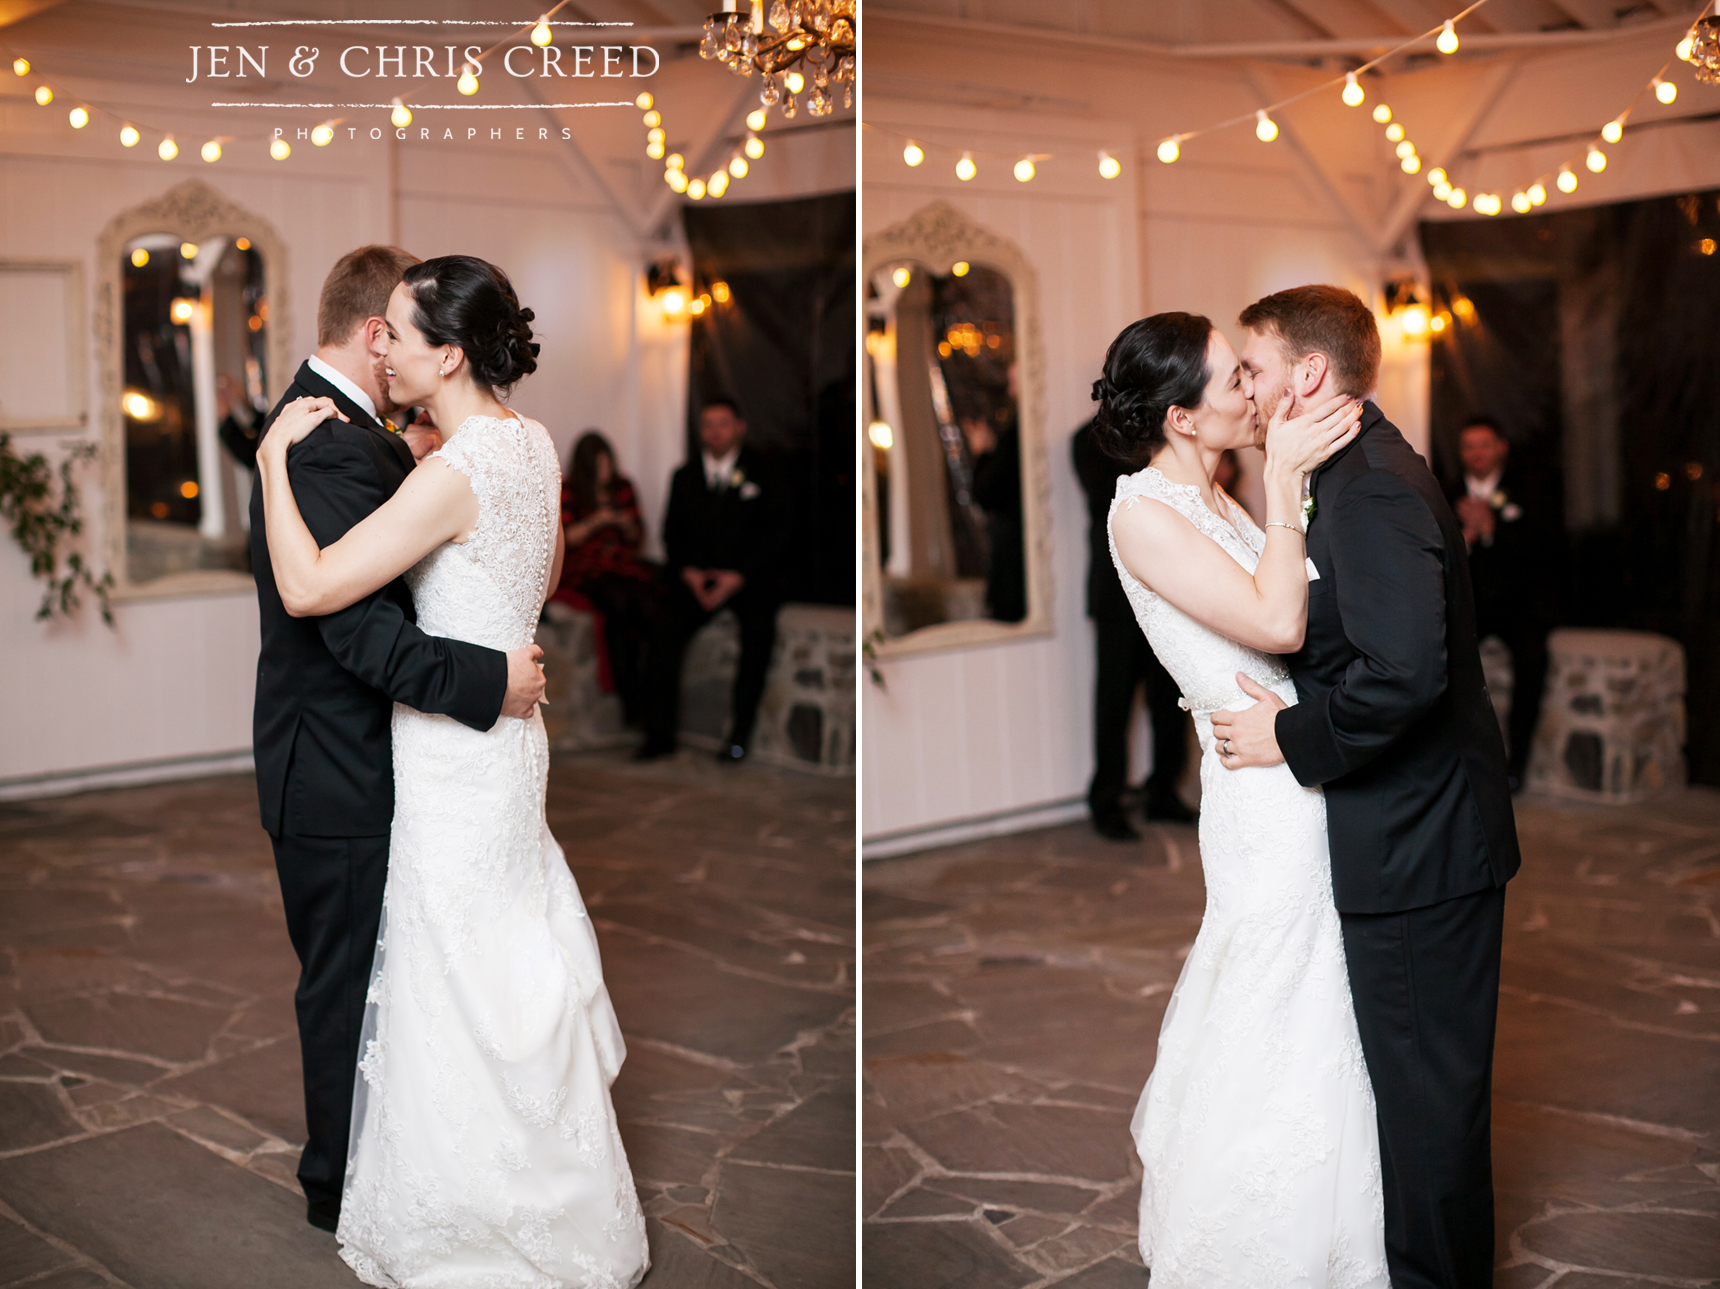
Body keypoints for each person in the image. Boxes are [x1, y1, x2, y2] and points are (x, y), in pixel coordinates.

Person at [253, 254, 648, 1287]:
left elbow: (311, 588)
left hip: (444, 753)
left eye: (397, 331)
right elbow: (541, 577)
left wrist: (264, 471)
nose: (380, 346)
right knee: (501, 957)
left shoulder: (444, 473)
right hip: (508, 746)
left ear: (448, 353)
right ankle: (547, 1184)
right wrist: (493, 656)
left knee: (452, 968)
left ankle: (466, 1195)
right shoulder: (531, 445)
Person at [1213, 284, 1521, 1289]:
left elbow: (1405, 675)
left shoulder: (1374, 486)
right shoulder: (1334, 475)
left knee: (1428, 1104)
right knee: (1416, 1094)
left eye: (1252, 369)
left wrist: (1282, 734)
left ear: (1306, 374)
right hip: (1405, 830)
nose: (1243, 390)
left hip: (1420, 840)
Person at [247, 245, 549, 1239]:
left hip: (407, 763)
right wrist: (489, 677)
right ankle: (342, 1187)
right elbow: (350, 624)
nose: (405, 351)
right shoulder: (324, 440)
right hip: (335, 766)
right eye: (400, 330)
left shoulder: (394, 444)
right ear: (378, 332)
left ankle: (408, 1168)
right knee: (349, 985)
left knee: (415, 976)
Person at [1099, 312, 1379, 1285]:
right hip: (1262, 794)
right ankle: (1251, 1240)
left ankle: (1338, 1221)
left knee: (1315, 997)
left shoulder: (1210, 492)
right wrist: (1287, 479)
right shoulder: (1141, 514)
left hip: (1288, 759)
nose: (1250, 389)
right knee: (1276, 993)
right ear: (1181, 415)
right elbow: (1273, 618)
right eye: (1231, 379)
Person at [637, 397, 788, 762]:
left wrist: (737, 576)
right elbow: (671, 532)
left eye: (723, 423)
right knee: (662, 631)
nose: (715, 431)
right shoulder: (684, 475)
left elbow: (777, 533)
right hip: (696, 580)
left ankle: (738, 738)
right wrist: (688, 572)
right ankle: (660, 734)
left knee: (758, 634)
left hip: (747, 581)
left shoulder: (765, 472)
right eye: (708, 424)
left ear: (739, 427)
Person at [1072, 418, 1195, 838]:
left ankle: (1163, 789)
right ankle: (1106, 798)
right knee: (1114, 702)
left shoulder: (1165, 433)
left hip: (1168, 587)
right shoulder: (1087, 441)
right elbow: (1114, 494)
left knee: (1170, 698)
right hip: (1115, 596)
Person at [1448, 416, 1554, 789]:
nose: (1476, 454)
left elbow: (1541, 553)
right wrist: (1468, 535)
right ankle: (1454, 761)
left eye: (1484, 445)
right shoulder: (1446, 491)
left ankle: (1516, 766)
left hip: (1517, 607)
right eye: (1469, 446)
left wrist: (1493, 530)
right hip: (1467, 607)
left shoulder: (1528, 489)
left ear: (1500, 448)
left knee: (1533, 659)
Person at [554, 430, 659, 725]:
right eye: (599, 464)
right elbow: (564, 538)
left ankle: (646, 689)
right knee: (617, 606)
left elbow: (638, 536)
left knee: (646, 604)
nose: (606, 470)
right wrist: (596, 522)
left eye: (608, 463)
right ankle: (630, 696)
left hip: (621, 566)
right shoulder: (569, 491)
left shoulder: (623, 488)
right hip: (586, 570)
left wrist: (625, 525)